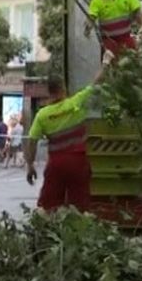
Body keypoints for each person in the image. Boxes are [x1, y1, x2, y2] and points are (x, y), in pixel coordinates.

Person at [24, 50, 114, 212]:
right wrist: (106, 62)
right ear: (63, 88)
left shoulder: (42, 115)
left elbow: (32, 141)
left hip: (56, 165)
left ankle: (50, 233)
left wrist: (30, 165)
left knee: (48, 206)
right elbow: (97, 82)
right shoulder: (75, 103)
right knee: (80, 206)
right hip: (78, 163)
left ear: (48, 92)